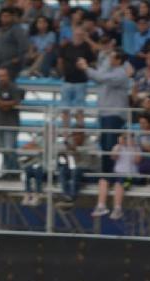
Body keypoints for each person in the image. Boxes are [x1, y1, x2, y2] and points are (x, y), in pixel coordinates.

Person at [76, 49, 130, 177]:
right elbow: (100, 74)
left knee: (110, 146)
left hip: (114, 115)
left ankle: (111, 174)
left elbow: (99, 77)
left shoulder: (121, 74)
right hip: (105, 114)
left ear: (118, 60)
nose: (108, 60)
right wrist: (105, 58)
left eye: (112, 58)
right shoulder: (109, 71)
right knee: (105, 146)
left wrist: (86, 67)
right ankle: (106, 175)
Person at [93, 132, 135, 219]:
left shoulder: (136, 148)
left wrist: (132, 147)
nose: (125, 140)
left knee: (118, 184)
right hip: (117, 174)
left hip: (130, 177)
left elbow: (138, 160)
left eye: (127, 138)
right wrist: (119, 146)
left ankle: (117, 209)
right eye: (123, 138)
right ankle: (101, 206)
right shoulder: (117, 147)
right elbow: (113, 157)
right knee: (103, 180)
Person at [59, 27, 95, 127]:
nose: (78, 37)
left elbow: (92, 60)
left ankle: (79, 133)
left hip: (81, 82)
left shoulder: (86, 47)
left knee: (80, 110)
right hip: (67, 81)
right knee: (65, 109)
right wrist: (62, 73)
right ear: (72, 35)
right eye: (76, 34)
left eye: (81, 35)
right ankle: (66, 134)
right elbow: (60, 60)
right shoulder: (66, 46)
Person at [0, 67, 22, 179]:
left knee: (9, 148)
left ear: (7, 76)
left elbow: (16, 102)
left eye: (3, 76)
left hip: (12, 122)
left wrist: (2, 104)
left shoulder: (14, 87)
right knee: (4, 149)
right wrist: (6, 104)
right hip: (1, 122)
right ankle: (10, 170)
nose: (1, 78)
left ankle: (14, 171)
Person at [0, 7, 29, 80]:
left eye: (7, 16)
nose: (5, 18)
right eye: (3, 16)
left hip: (13, 64)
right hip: (1, 63)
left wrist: (18, 59)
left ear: (12, 17)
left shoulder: (17, 29)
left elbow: (24, 46)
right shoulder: (0, 30)